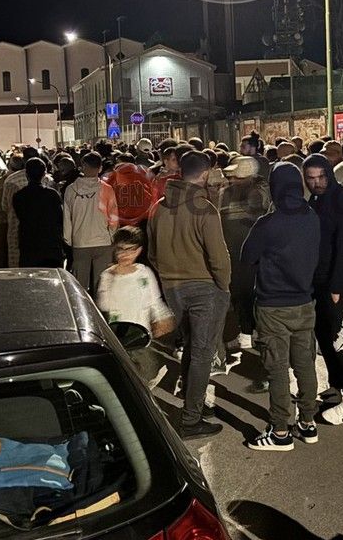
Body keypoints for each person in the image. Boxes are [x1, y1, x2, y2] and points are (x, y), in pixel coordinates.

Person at [147, 150, 232, 440]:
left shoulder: (158, 207)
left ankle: (192, 401)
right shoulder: (205, 209)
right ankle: (191, 418)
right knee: (202, 354)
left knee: (192, 349)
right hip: (204, 288)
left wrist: (168, 276)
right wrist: (223, 285)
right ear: (205, 174)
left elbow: (153, 253)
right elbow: (218, 257)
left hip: (172, 287)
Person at [241, 163, 322, 451]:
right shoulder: (312, 217)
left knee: (277, 369)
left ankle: (280, 431)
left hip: (272, 305)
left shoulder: (268, 223)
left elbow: (247, 257)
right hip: (304, 302)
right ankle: (308, 422)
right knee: (305, 365)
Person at [302, 153, 343, 425]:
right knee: (326, 335)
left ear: (329, 174)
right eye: (311, 178)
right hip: (318, 282)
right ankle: (337, 385)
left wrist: (338, 285)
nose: (316, 182)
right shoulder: (315, 201)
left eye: (321, 176)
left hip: (338, 284)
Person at [96, 225, 175, 384]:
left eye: (131, 249)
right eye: (121, 249)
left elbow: (154, 301)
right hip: (118, 342)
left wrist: (163, 318)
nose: (125, 254)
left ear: (138, 250)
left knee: (143, 380)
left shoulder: (144, 273)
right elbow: (103, 307)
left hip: (140, 341)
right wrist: (113, 279)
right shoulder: (107, 276)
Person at [219, 155, 270, 351]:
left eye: (237, 177)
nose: (232, 180)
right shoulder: (227, 192)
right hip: (233, 253)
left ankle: (253, 332)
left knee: (251, 294)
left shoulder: (260, 193)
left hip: (253, 254)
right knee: (239, 294)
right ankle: (247, 331)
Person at [64, 151, 118, 289]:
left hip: (80, 241)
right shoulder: (107, 189)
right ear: (100, 168)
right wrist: (112, 236)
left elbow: (67, 218)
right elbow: (113, 217)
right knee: (102, 286)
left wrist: (69, 239)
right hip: (103, 241)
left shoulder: (71, 190)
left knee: (80, 286)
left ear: (83, 166)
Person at [1, 147, 55, 267]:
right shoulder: (48, 180)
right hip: (44, 233)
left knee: (20, 269)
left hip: (17, 232)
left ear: (24, 160)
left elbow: (5, 207)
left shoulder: (11, 180)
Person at [13, 157, 65, 267]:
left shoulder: (19, 196)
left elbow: (20, 216)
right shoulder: (52, 195)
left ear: (26, 174)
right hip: (50, 245)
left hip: (29, 244)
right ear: (44, 174)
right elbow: (60, 218)